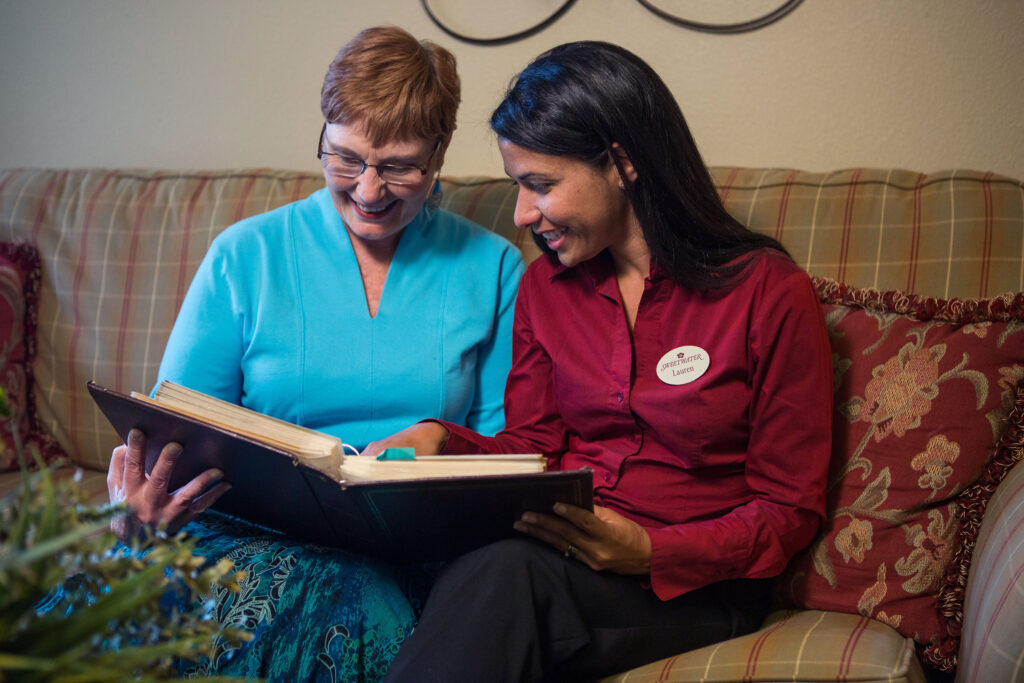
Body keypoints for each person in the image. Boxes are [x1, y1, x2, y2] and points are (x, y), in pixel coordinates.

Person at [368, 41, 834, 682]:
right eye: (517, 186)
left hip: (691, 586)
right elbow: (534, 446)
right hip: (559, 558)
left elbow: (789, 508)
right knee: (484, 565)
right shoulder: (544, 289)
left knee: (507, 576)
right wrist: (442, 441)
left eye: (541, 185)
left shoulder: (768, 293)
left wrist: (650, 551)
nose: (523, 213)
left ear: (621, 163)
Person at [105, 26, 524, 681]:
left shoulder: (494, 266)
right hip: (251, 537)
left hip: (416, 548)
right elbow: (177, 434)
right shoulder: (244, 255)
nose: (368, 190)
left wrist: (431, 446)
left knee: (366, 600)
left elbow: (509, 448)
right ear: (322, 138)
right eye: (346, 158)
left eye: (400, 166)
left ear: (440, 152)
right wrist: (143, 501)